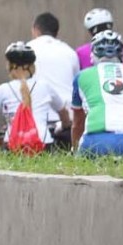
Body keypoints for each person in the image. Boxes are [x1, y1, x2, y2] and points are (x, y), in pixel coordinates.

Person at [0, 42, 70, 150]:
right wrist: (64, 126)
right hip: (42, 143)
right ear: (32, 67)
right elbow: (63, 112)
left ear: (10, 67)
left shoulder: (4, 89)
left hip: (13, 145)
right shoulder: (45, 86)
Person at [72, 31, 123, 158]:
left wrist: (75, 151)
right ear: (122, 54)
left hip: (96, 142)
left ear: (93, 54)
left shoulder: (81, 76)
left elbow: (77, 123)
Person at [28, 12, 79, 147]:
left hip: (35, 123)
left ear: (35, 29)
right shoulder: (70, 52)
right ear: (56, 32)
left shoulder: (27, 50)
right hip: (67, 123)